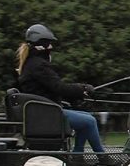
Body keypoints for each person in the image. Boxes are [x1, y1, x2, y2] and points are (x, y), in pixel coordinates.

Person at [15, 23, 105, 153]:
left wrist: (79, 93)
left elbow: (50, 89)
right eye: (48, 43)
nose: (51, 47)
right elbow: (59, 87)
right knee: (89, 121)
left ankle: (78, 154)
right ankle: (101, 157)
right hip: (48, 114)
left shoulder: (32, 64)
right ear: (41, 44)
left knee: (87, 117)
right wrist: (83, 88)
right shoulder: (38, 66)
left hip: (45, 111)